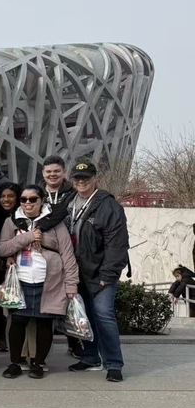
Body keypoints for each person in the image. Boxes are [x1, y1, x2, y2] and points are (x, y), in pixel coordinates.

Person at [0, 185, 80, 379]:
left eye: (32, 199)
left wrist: (71, 285)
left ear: (42, 201)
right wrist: (28, 237)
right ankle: (14, 363)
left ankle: (38, 363)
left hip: (49, 282)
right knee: (17, 321)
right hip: (20, 281)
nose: (27, 203)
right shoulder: (12, 221)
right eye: (24, 199)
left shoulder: (55, 224)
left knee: (44, 323)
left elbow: (68, 255)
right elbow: (2, 249)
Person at [65, 160, 129, 382]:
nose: (82, 182)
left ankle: (114, 364)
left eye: (86, 178)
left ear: (95, 179)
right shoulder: (69, 201)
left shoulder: (108, 205)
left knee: (104, 316)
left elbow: (118, 244)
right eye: (78, 179)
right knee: (86, 316)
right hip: (77, 271)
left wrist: (108, 275)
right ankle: (91, 356)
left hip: (101, 272)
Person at [38, 155, 82, 357]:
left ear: (64, 172)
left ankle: (75, 342)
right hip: (44, 254)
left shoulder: (72, 194)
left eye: (56, 171)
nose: (52, 175)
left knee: (71, 297)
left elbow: (62, 213)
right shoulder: (37, 193)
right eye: (48, 172)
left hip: (71, 249)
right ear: (43, 174)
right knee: (47, 302)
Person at [0, 183, 22, 353]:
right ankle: (0, 335)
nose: (6, 199)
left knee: (18, 303)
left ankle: (17, 336)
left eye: (10, 196)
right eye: (3, 196)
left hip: (21, 264)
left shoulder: (23, 215)